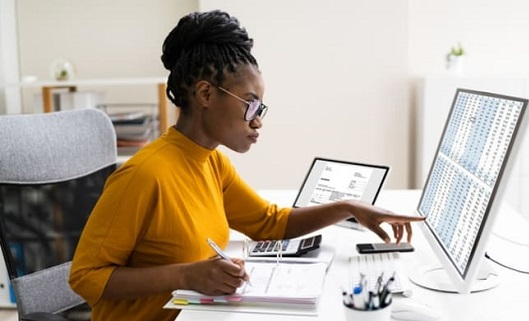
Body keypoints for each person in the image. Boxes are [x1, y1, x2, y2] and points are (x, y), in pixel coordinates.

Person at [69, 10, 424, 321]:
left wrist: (350, 208)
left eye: (261, 109)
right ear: (206, 95)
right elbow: (86, 277)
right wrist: (186, 276)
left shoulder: (212, 164)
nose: (258, 122)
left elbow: (271, 224)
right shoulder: (143, 176)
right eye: (251, 105)